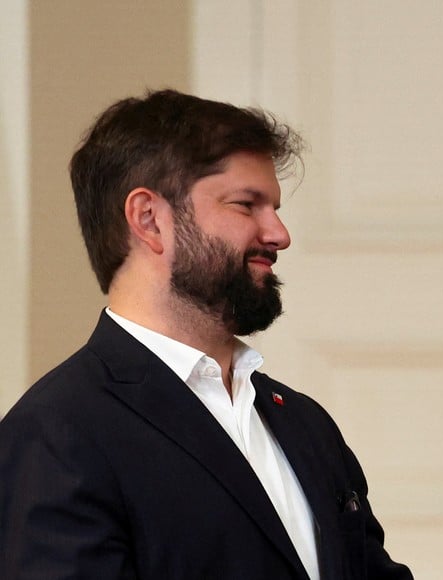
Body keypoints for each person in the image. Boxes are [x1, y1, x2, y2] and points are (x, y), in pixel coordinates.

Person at [0, 89, 413, 580]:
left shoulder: (305, 424)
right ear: (149, 219)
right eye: (246, 205)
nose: (279, 234)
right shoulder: (57, 432)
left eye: (274, 207)